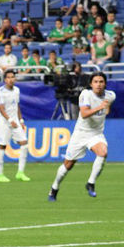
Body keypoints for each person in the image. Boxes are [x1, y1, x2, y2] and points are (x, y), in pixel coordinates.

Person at [48, 72, 115, 201]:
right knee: (68, 165)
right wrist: (100, 107)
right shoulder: (86, 95)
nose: (98, 84)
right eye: (95, 82)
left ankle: (90, 183)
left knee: (103, 152)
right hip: (80, 134)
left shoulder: (111, 95)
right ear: (91, 84)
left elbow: (108, 107)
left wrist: (106, 109)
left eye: (101, 82)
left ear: (105, 84)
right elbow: (84, 114)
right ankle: (54, 187)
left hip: (95, 134)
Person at [0, 70, 30, 183]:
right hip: (4, 123)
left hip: (15, 122)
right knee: (2, 146)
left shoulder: (17, 90)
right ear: (5, 79)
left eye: (12, 77)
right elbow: (1, 108)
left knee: (24, 144)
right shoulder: (0, 92)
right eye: (8, 77)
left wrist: (21, 120)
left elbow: (17, 106)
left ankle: (20, 172)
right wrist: (9, 120)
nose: (11, 79)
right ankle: (0, 175)